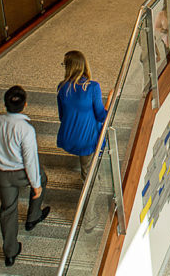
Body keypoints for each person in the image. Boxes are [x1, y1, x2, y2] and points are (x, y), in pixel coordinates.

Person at [0, 86, 51, 267]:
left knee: (8, 209)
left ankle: (10, 252)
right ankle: (33, 216)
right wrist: (36, 184)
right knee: (42, 179)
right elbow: (30, 160)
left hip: (2, 173)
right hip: (21, 172)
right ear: (25, 104)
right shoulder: (26, 129)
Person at [55, 50, 107, 230]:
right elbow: (101, 115)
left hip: (69, 137)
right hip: (86, 141)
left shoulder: (62, 87)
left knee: (86, 166)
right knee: (91, 179)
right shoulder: (93, 87)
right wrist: (110, 105)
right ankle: (89, 218)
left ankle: (87, 174)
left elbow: (62, 116)